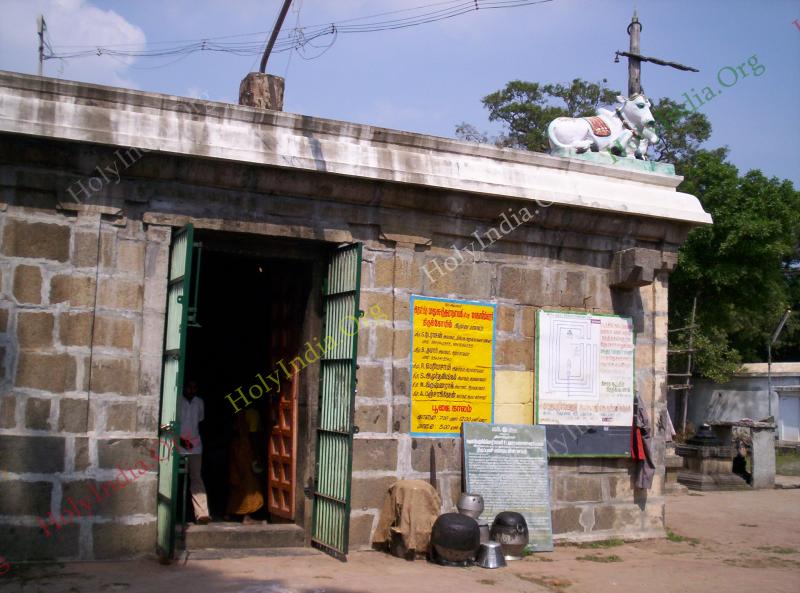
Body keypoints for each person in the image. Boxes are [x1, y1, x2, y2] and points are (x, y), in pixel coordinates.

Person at [226, 407, 265, 523]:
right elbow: (253, 436)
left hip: (235, 448)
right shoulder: (253, 413)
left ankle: (229, 512)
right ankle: (246, 516)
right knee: (249, 484)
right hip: (246, 450)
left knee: (236, 480)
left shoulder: (237, 413)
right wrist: (257, 455)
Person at [180, 380, 211, 524]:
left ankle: (202, 514)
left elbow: (200, 422)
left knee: (196, 477)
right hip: (176, 444)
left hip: (195, 445)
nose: (191, 390)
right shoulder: (176, 400)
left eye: (194, 387)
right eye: (189, 387)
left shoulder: (199, 402)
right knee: (174, 479)